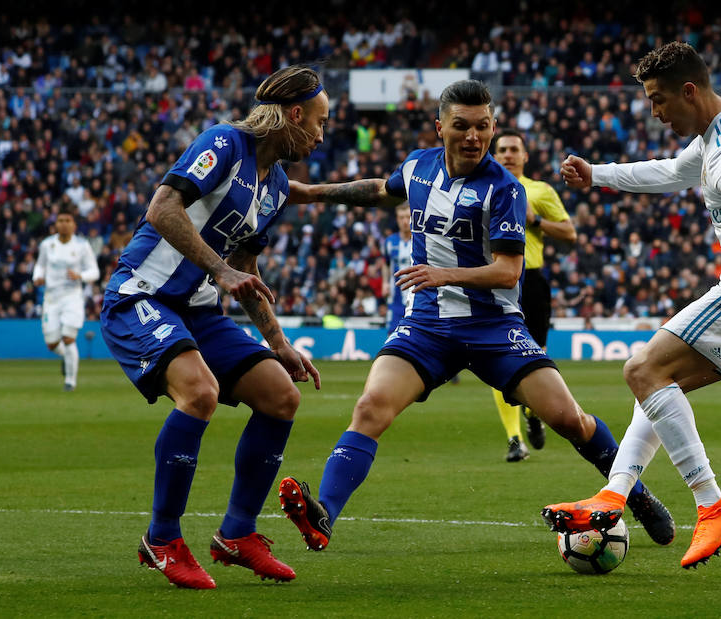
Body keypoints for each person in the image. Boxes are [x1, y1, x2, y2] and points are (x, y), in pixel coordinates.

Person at [276, 79, 675, 554]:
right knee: (369, 408)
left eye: (482, 126)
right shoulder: (418, 165)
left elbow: (508, 272)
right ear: (439, 126)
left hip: (495, 328)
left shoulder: (505, 190)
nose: (473, 137)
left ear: (493, 126)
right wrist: (312, 193)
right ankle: (323, 516)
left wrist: (444, 274)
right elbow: (382, 191)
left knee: (569, 419)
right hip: (427, 325)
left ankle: (637, 494)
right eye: (461, 126)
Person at [544, 42, 721, 569]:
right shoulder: (720, 135)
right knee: (656, 383)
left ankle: (712, 504)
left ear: (689, 90)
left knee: (642, 368)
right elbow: (670, 174)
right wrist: (598, 174)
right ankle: (615, 495)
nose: (655, 112)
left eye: (659, 99)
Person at [99, 65, 326, 589]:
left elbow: (247, 271)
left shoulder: (271, 188)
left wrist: (280, 344)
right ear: (294, 116)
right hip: (142, 294)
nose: (320, 134)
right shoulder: (224, 141)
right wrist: (219, 269)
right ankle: (161, 539)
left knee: (281, 396)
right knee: (199, 392)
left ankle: (237, 535)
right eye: (318, 122)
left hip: (200, 310)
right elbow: (162, 208)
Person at [490, 128, 577, 462]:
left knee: (533, 357)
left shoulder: (540, 191)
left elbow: (569, 233)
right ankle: (514, 439)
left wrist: (535, 220)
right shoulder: (481, 187)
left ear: (525, 156)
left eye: (515, 149)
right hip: (493, 279)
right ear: (494, 155)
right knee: (496, 357)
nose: (509, 154)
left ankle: (531, 412)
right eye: (503, 150)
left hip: (531, 281)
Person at [32, 207, 99, 391]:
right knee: (52, 343)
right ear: (55, 224)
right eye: (60, 220)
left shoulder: (82, 245)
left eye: (67, 220)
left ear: (74, 225)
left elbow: (94, 272)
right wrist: (36, 277)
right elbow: (39, 266)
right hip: (51, 298)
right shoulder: (47, 244)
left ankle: (70, 381)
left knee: (69, 338)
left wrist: (80, 276)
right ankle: (65, 356)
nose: (63, 224)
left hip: (72, 297)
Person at [382, 202, 413, 333]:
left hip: (416, 299)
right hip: (395, 300)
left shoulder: (419, 240)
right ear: (397, 219)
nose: (405, 221)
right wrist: (385, 283)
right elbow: (386, 262)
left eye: (407, 217)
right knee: (392, 334)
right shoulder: (390, 241)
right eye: (401, 217)